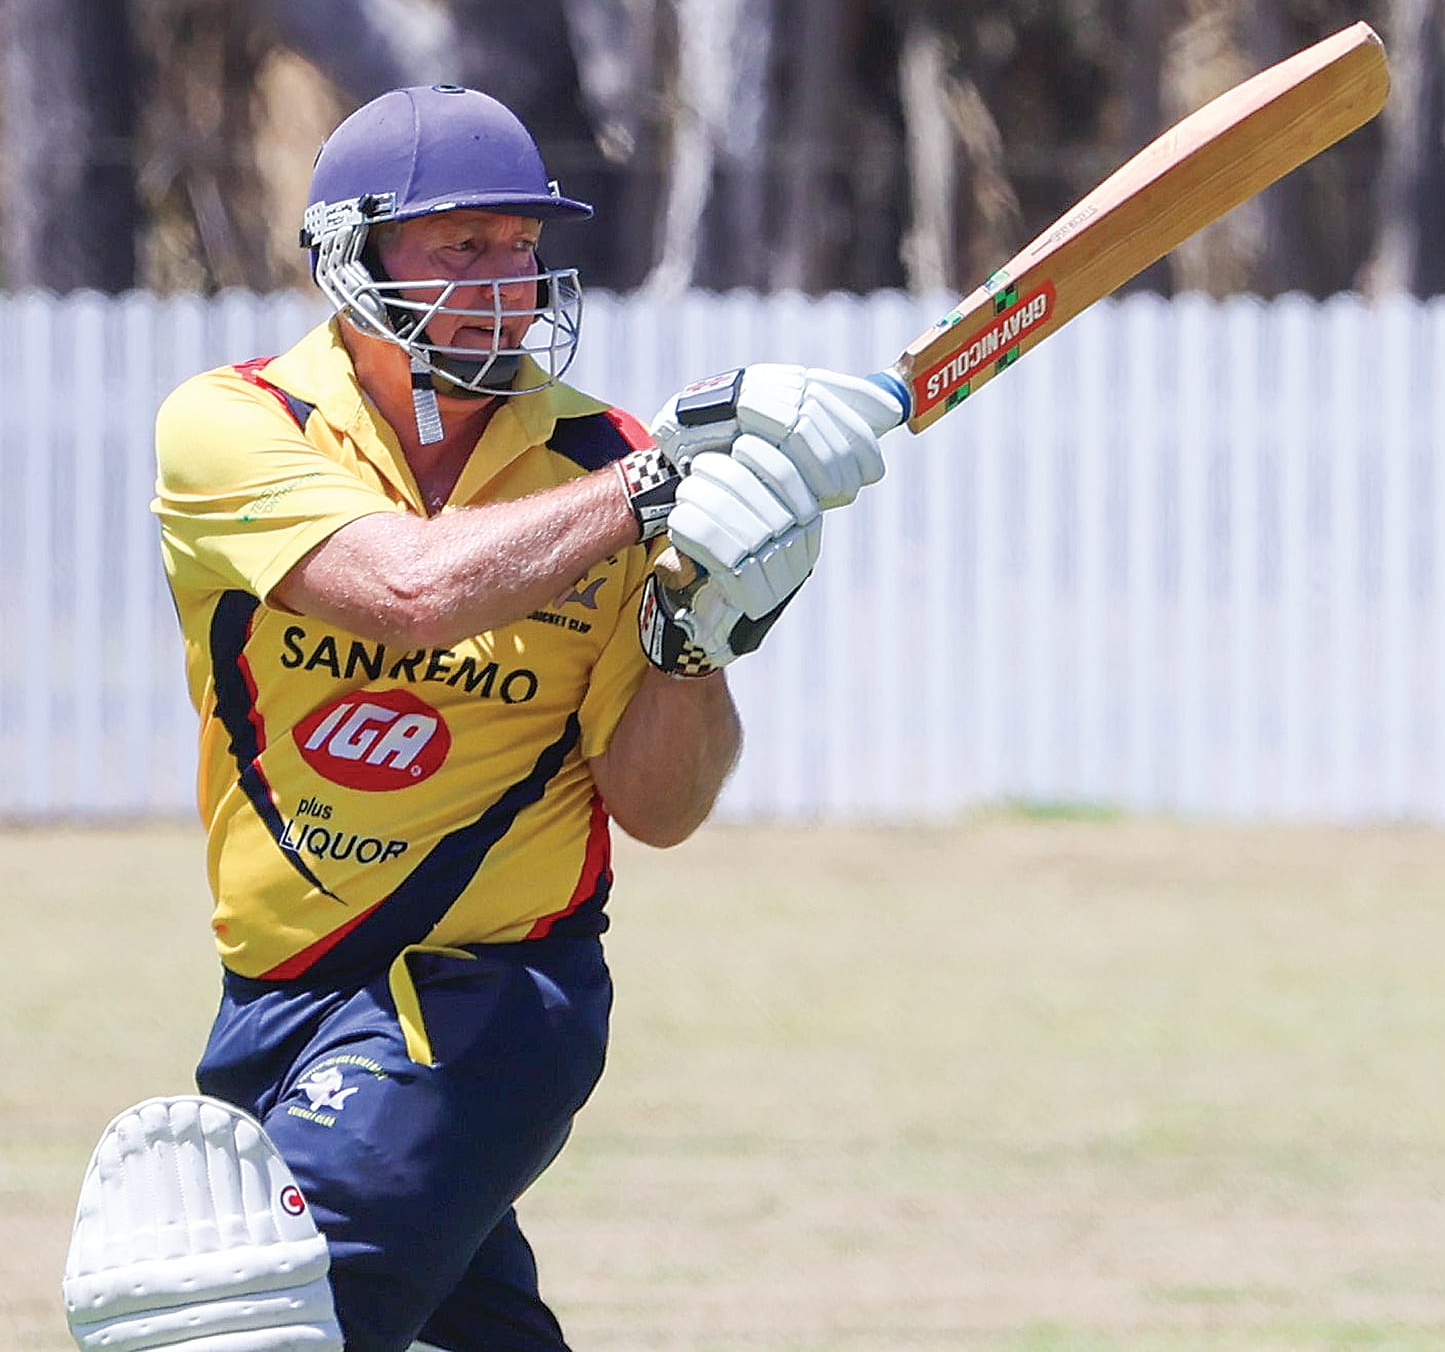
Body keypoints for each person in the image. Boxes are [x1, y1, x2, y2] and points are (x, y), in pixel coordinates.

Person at [62, 84, 906, 1352]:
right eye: (462, 246)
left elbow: (661, 810)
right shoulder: (236, 424)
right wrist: (659, 483)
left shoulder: (596, 463)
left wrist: (697, 644)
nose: (507, 280)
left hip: (494, 1000)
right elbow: (411, 589)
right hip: (278, 991)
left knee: (256, 1316)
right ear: (349, 255)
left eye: (522, 247)